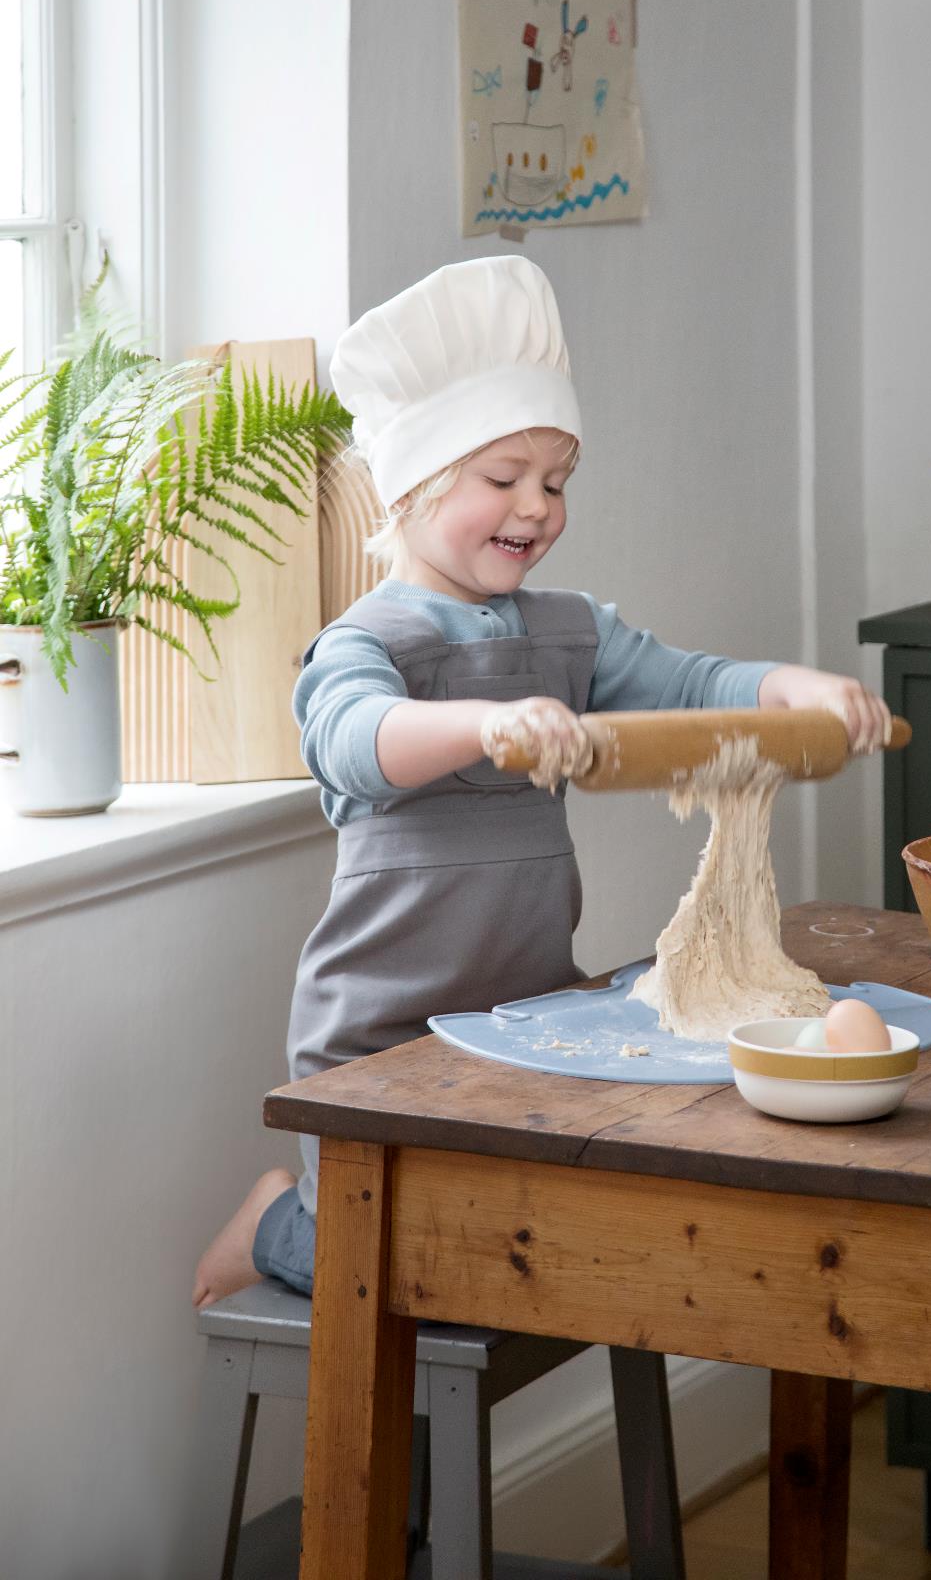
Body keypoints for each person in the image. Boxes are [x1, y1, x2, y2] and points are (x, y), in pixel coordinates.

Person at [192, 255, 890, 1307]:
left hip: (523, 1018)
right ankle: (275, 1223)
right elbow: (351, 740)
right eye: (503, 478)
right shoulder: (363, 640)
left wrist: (800, 688)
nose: (538, 507)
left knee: (523, 1239)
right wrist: (488, 724)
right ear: (418, 485)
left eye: (556, 482)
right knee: (386, 1250)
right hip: (381, 1040)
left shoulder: (570, 631)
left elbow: (689, 684)